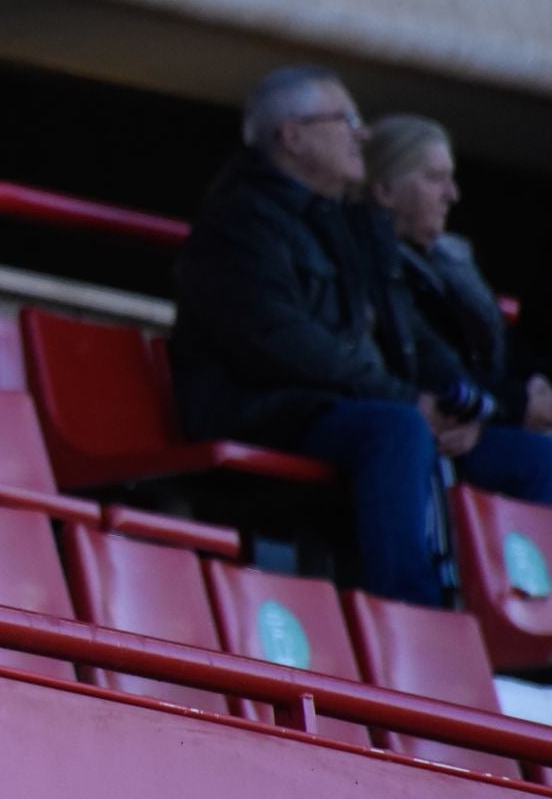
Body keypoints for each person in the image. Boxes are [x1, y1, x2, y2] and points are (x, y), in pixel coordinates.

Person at [170, 65, 552, 606]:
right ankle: (411, 615)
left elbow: (412, 338)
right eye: (345, 119)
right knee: (396, 431)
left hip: (352, 407)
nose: (362, 133)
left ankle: (531, 635)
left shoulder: (350, 225)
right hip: (269, 411)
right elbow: (284, 344)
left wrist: (468, 408)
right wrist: (408, 402)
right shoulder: (239, 222)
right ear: (292, 136)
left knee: (538, 460)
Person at [365, 114, 552, 433]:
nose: (452, 195)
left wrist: (538, 381)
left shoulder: (451, 263)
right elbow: (423, 364)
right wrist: (518, 402)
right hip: (442, 424)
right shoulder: (371, 264)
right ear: (384, 190)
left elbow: (502, 350)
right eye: (435, 178)